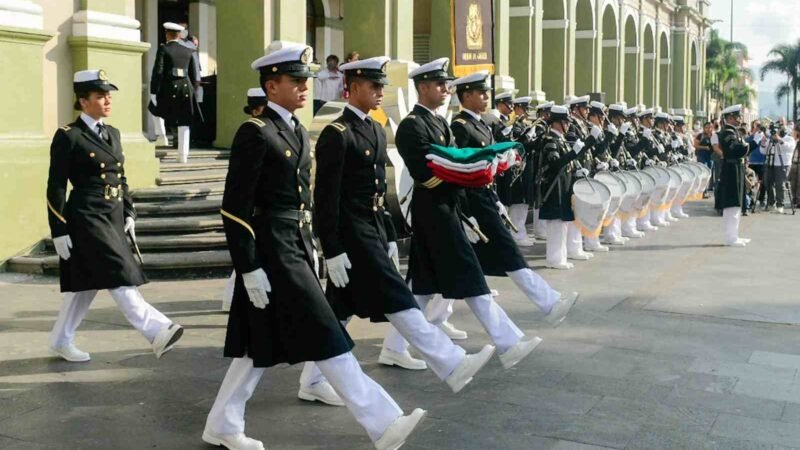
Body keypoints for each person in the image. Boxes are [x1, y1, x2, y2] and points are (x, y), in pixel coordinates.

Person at [203, 44, 426, 450]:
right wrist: (248, 266)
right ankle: (383, 420)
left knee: (257, 346)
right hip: (274, 252)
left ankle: (222, 422)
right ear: (272, 86)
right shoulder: (255, 133)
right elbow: (235, 208)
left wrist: (320, 247)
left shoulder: (293, 131)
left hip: (296, 247)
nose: (306, 86)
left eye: (307, 80)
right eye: (297, 80)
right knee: (325, 332)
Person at [298, 56, 494, 404]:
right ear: (353, 87)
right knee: (398, 297)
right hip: (351, 233)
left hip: (372, 229)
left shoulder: (374, 128)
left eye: (381, 86)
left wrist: (389, 234)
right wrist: (332, 248)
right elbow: (325, 197)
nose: (379, 92)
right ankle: (450, 362)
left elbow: (379, 190)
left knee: (338, 311)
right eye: (373, 86)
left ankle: (312, 381)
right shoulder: (336, 134)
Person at [382, 57, 543, 371]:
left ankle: (393, 347)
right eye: (440, 84)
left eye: (446, 84)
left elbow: (462, 159)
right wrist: (472, 171)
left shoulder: (439, 122)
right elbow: (432, 171)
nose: (446, 89)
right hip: (434, 211)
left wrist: (478, 175)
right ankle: (508, 342)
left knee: (423, 288)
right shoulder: (412, 126)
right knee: (469, 275)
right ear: (423, 87)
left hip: (448, 207)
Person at [47, 70, 184, 363]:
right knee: (118, 271)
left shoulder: (113, 133)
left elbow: (120, 177)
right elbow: (56, 185)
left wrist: (129, 211)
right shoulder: (68, 136)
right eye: (100, 96)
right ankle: (157, 330)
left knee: (86, 283)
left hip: (112, 214)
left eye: (109, 95)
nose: (108, 100)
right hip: (86, 215)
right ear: (83, 102)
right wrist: (58, 229)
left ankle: (60, 339)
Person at [221, 88, 270, 313]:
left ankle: (230, 299)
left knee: (245, 260)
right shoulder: (252, 132)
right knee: (245, 258)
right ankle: (229, 299)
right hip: (252, 210)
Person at [540, 105, 590, 269]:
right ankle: (554, 259)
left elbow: (569, 164)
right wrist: (573, 153)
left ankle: (561, 256)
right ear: (556, 123)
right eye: (564, 122)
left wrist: (578, 170)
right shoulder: (550, 141)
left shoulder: (561, 140)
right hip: (554, 188)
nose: (568, 125)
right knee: (556, 225)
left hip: (564, 186)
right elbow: (555, 164)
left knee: (563, 225)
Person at [150, 22, 199, 163]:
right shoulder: (189, 49)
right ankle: (183, 155)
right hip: (185, 88)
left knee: (153, 108)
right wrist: (193, 91)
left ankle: (161, 136)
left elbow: (158, 72)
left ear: (167, 34)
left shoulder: (164, 49)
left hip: (168, 87)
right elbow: (194, 73)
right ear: (179, 35)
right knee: (184, 121)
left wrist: (154, 91)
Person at [717, 105, 751, 247]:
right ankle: (731, 238)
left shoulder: (734, 132)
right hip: (730, 169)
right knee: (732, 204)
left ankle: (734, 235)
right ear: (730, 118)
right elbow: (735, 150)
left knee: (737, 204)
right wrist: (752, 144)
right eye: (737, 116)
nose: (739, 119)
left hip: (736, 168)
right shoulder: (727, 133)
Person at [758, 123, 796, 214]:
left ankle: (780, 205)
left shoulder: (789, 139)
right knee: (767, 182)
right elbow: (763, 151)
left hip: (783, 164)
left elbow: (789, 148)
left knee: (780, 184)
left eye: (779, 130)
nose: (776, 132)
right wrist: (763, 143)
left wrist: (779, 140)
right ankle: (771, 203)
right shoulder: (771, 138)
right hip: (771, 163)